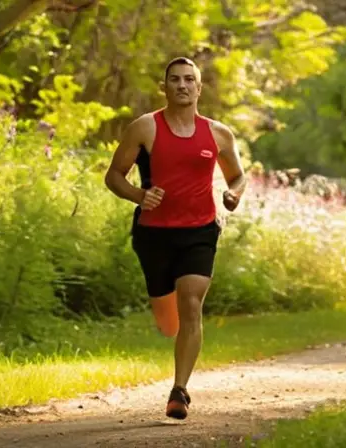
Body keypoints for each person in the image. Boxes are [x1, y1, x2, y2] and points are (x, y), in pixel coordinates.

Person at [104, 57, 246, 420]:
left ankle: (179, 391)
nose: (182, 85)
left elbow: (237, 176)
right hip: (153, 234)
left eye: (188, 80)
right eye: (175, 80)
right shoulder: (145, 128)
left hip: (200, 230)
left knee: (191, 304)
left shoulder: (218, 134)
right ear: (164, 87)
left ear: (199, 88)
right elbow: (114, 176)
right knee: (169, 323)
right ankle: (168, 326)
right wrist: (139, 196)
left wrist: (233, 194)